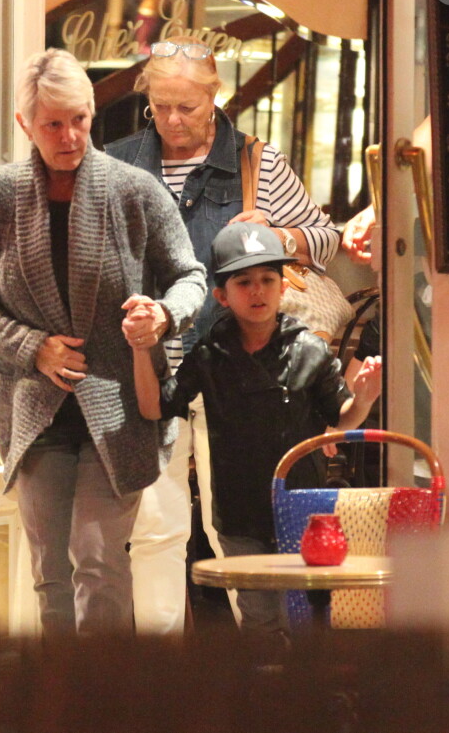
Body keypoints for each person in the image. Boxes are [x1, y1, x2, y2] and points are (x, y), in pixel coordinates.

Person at [0, 48, 206, 637]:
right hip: (36, 410)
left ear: (93, 114)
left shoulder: (132, 190)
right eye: (52, 124)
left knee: (98, 562)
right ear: (25, 125)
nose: (69, 135)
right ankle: (56, 704)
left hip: (116, 410)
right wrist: (30, 345)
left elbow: (191, 276)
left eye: (80, 120)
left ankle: (103, 706)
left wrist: (162, 316)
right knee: (49, 574)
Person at [106, 35, 340, 635]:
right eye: (160, 106)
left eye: (186, 105)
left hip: (235, 372)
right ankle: (158, 673)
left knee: (234, 525)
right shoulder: (120, 163)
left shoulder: (256, 163)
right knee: (155, 528)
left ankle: (260, 669)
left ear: (215, 98)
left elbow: (325, 237)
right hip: (150, 370)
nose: (172, 120)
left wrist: (278, 234)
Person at [124, 222, 381, 641]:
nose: (258, 291)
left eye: (267, 279)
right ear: (221, 295)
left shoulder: (309, 350)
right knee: (260, 622)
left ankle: (307, 704)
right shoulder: (209, 354)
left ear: (284, 287)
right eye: (244, 282)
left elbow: (342, 417)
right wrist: (140, 348)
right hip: (240, 516)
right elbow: (154, 406)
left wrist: (364, 398)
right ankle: (265, 704)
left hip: (303, 511)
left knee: (308, 621)